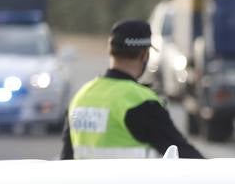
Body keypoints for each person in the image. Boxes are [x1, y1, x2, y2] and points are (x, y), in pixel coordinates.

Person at [62, 19, 204, 160]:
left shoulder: (80, 98)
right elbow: (184, 154)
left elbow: (65, 160)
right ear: (144, 55)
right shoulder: (141, 102)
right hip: (131, 183)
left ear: (111, 51)